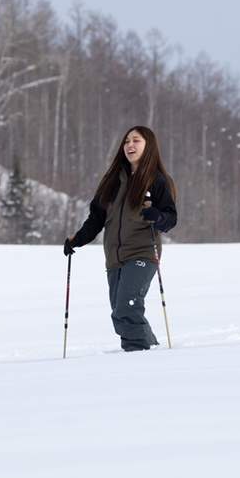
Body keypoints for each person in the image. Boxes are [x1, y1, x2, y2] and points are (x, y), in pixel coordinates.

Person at [65, 126, 178, 351]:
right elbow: (96, 219)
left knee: (127, 309)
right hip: (114, 257)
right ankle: (151, 349)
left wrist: (157, 216)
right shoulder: (112, 181)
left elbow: (170, 218)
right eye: (126, 141)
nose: (130, 145)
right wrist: (77, 239)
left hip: (143, 252)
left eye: (136, 140)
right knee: (120, 310)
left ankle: (136, 355)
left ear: (149, 146)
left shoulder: (156, 180)